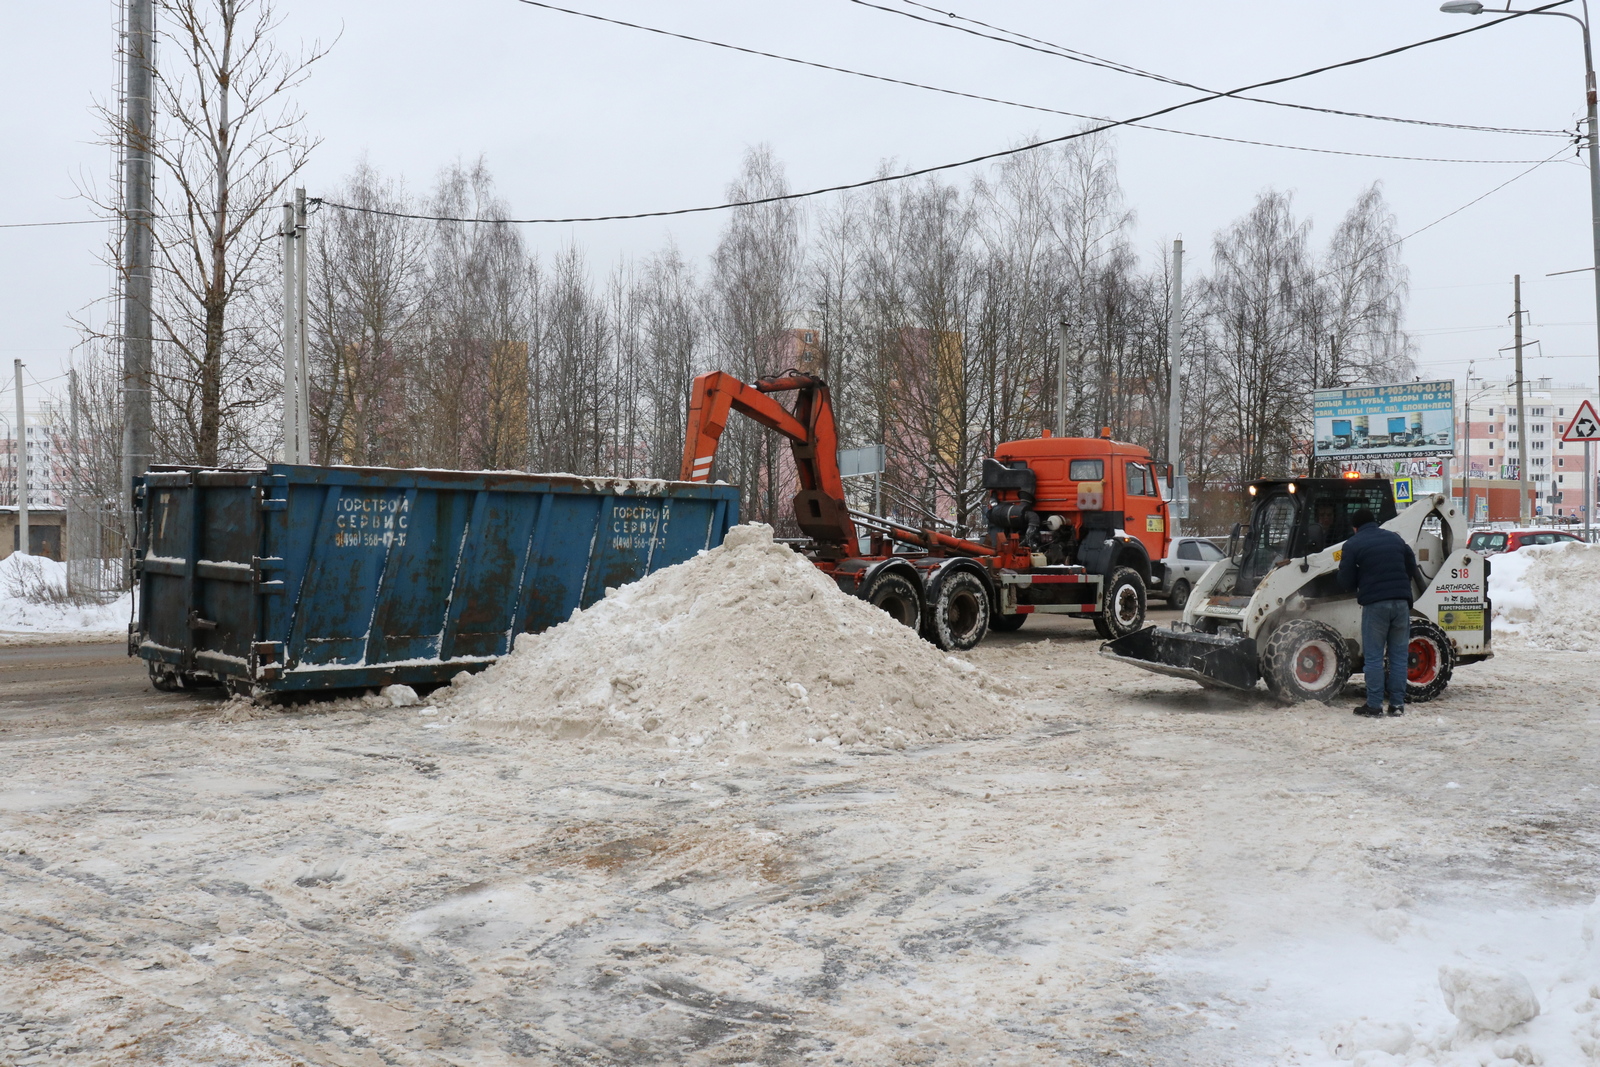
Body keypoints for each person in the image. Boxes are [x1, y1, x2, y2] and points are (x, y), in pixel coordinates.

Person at [1337, 508, 1425, 718]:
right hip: (1401, 603)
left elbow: (1345, 581)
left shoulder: (1353, 544)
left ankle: (1374, 705)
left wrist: (1361, 578)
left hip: (1376, 605)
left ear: (1355, 527)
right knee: (1398, 656)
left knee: (1374, 657)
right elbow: (1411, 565)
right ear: (1375, 523)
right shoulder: (1395, 539)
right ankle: (1396, 705)